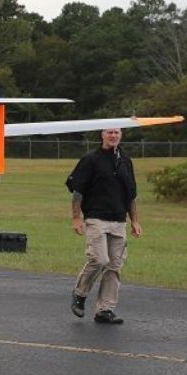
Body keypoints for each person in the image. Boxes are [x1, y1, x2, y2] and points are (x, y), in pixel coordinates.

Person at [65, 127, 142, 324]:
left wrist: (134, 220)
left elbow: (131, 195)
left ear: (121, 135)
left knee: (114, 265)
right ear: (102, 135)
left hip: (119, 220)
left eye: (116, 132)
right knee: (99, 259)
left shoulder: (125, 161)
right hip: (96, 218)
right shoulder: (91, 160)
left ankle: (105, 310)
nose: (113, 136)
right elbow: (77, 192)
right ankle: (80, 294)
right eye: (109, 132)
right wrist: (76, 218)